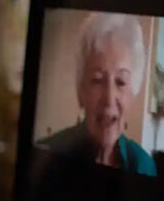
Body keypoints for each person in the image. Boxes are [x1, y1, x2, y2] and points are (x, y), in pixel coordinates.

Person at [36, 12, 156, 176]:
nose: (109, 99)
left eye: (120, 82)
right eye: (97, 80)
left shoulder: (144, 166)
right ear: (81, 91)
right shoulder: (46, 156)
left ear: (132, 94)